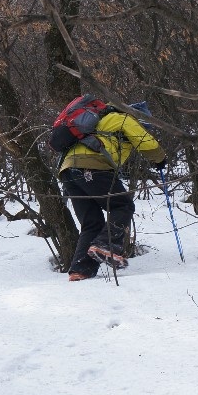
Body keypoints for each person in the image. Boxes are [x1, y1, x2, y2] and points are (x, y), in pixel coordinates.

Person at [58, 101, 166, 281]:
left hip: (68, 171)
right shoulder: (123, 118)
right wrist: (160, 159)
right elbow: (148, 143)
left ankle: (80, 269)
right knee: (123, 206)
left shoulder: (99, 120)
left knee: (92, 222)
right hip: (92, 166)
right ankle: (105, 244)